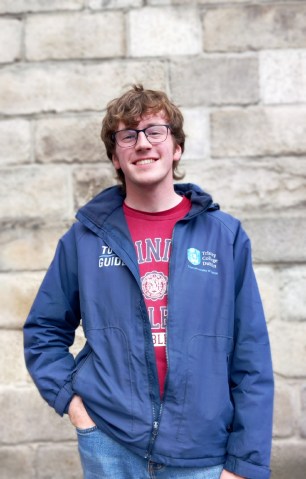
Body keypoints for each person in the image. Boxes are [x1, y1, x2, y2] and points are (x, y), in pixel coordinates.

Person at [24, 85, 274, 479]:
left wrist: (245, 463)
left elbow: (251, 355)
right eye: (128, 135)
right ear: (115, 157)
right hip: (110, 442)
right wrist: (75, 407)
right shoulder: (86, 239)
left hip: (202, 452)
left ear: (175, 148)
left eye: (155, 131)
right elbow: (43, 330)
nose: (142, 144)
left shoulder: (223, 236)